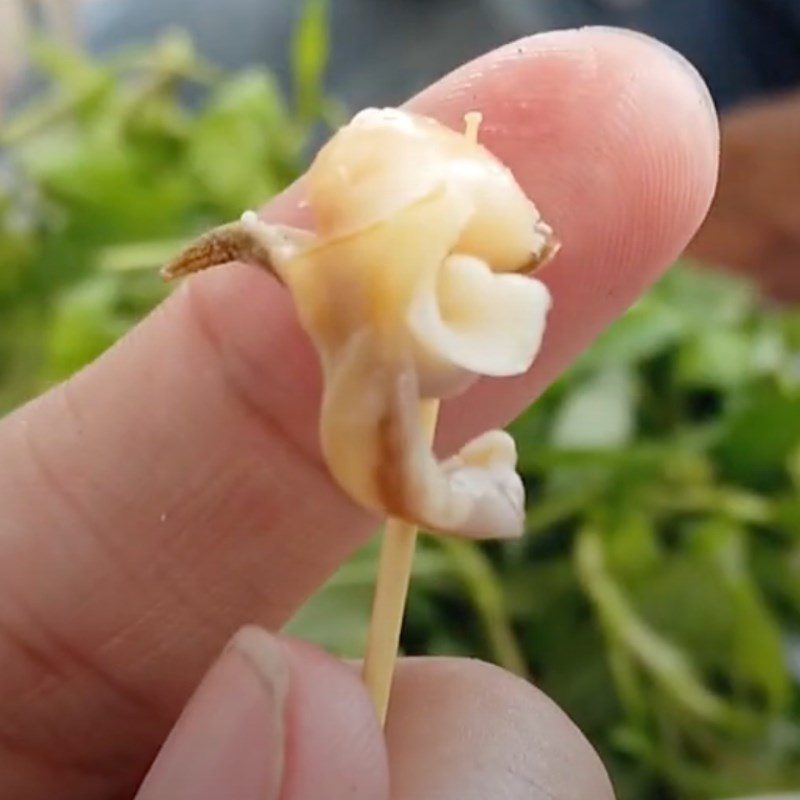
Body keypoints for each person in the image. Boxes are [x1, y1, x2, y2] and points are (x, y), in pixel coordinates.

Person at [0, 27, 718, 799]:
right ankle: (470, 491)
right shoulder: (345, 274)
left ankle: (470, 490)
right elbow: (265, 245)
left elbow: (264, 244)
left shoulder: (397, 271)